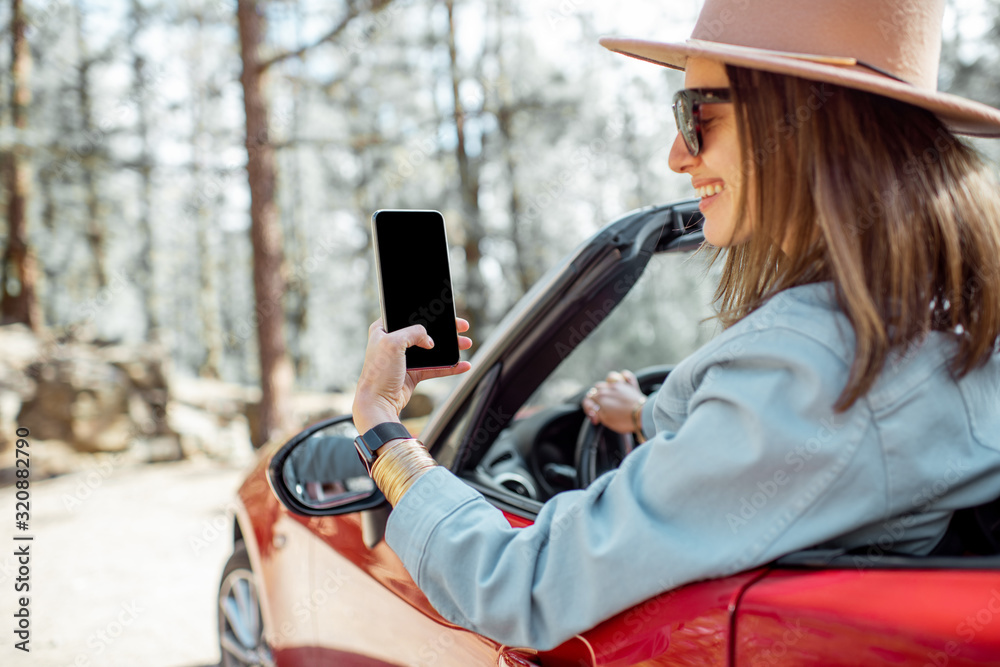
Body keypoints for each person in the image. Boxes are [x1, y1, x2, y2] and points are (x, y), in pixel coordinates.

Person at [351, 0, 1000, 651]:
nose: (675, 156)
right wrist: (645, 414)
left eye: (697, 117)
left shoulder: (818, 365)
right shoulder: (948, 323)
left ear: (805, 122)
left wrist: (384, 431)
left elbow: (518, 583)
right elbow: (766, 450)